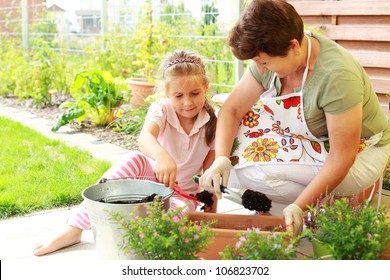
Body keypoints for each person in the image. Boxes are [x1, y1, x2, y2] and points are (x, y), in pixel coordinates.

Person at [199, 0, 390, 237]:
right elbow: (231, 110)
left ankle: (299, 212)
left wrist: (300, 204)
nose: (261, 69)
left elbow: (342, 155)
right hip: (308, 138)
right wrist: (220, 160)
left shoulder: (337, 76)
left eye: (265, 62)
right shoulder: (270, 52)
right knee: (232, 159)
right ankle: (301, 209)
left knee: (257, 169)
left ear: (293, 46)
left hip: (361, 152)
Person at [33, 50, 217, 256]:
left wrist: (212, 220)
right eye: (178, 95)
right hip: (150, 179)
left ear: (206, 87)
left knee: (176, 215)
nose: (187, 102)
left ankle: (137, 246)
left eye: (195, 94)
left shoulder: (213, 121)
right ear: (167, 93)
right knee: (133, 159)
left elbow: (209, 177)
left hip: (182, 195)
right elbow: (145, 137)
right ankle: (74, 228)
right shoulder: (162, 110)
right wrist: (162, 156)